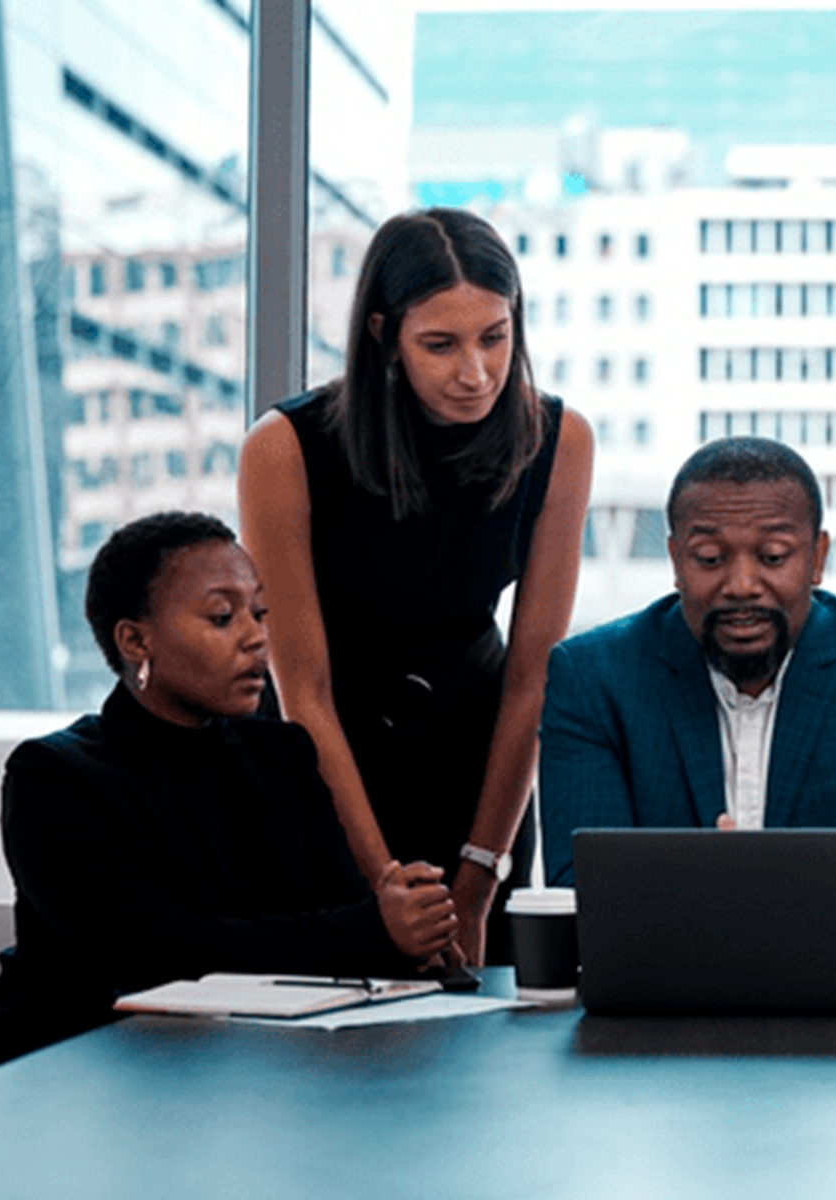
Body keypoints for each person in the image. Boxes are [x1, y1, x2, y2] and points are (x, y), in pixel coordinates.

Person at [0, 513, 456, 1079]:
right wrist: (373, 930)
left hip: (243, 1073)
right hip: (71, 1076)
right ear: (134, 639)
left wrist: (402, 926)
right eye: (222, 617)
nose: (256, 637)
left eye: (260, 612)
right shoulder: (53, 777)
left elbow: (341, 914)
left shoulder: (283, 755)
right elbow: (156, 953)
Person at [239, 208, 592, 966]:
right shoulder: (284, 448)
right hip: (327, 762)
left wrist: (479, 877)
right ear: (382, 333)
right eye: (441, 344)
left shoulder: (558, 440)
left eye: (495, 338)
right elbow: (303, 688)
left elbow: (535, 674)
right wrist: (384, 885)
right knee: (333, 1037)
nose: (476, 373)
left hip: (479, 765)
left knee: (481, 1034)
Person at [539, 438, 836, 964]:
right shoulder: (594, 678)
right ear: (675, 559)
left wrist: (728, 890)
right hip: (654, 1026)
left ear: (817, 558)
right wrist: (785, 898)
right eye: (709, 558)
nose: (741, 585)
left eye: (773, 557)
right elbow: (580, 899)